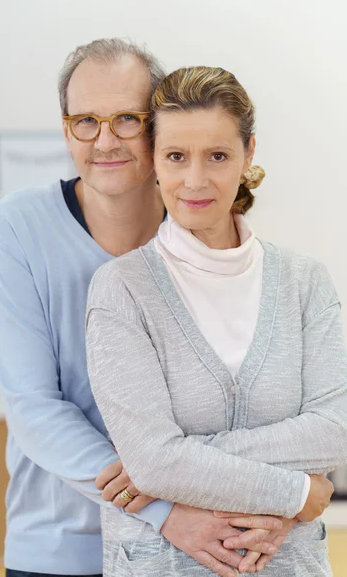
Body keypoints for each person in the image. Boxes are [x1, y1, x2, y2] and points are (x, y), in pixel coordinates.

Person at [0, 40, 290, 577]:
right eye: (86, 121)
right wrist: (163, 507)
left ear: (158, 126)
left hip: (189, 550)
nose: (106, 140)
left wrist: (294, 491)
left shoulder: (199, 231)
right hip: (64, 546)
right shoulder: (19, 227)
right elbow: (34, 407)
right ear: (65, 128)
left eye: (128, 118)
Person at [86, 65, 347, 576]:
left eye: (219, 156)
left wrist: (176, 463)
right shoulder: (121, 290)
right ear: (154, 161)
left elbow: (333, 433)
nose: (195, 180)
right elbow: (154, 463)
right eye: (177, 156)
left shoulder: (305, 281)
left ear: (249, 155)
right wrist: (298, 493)